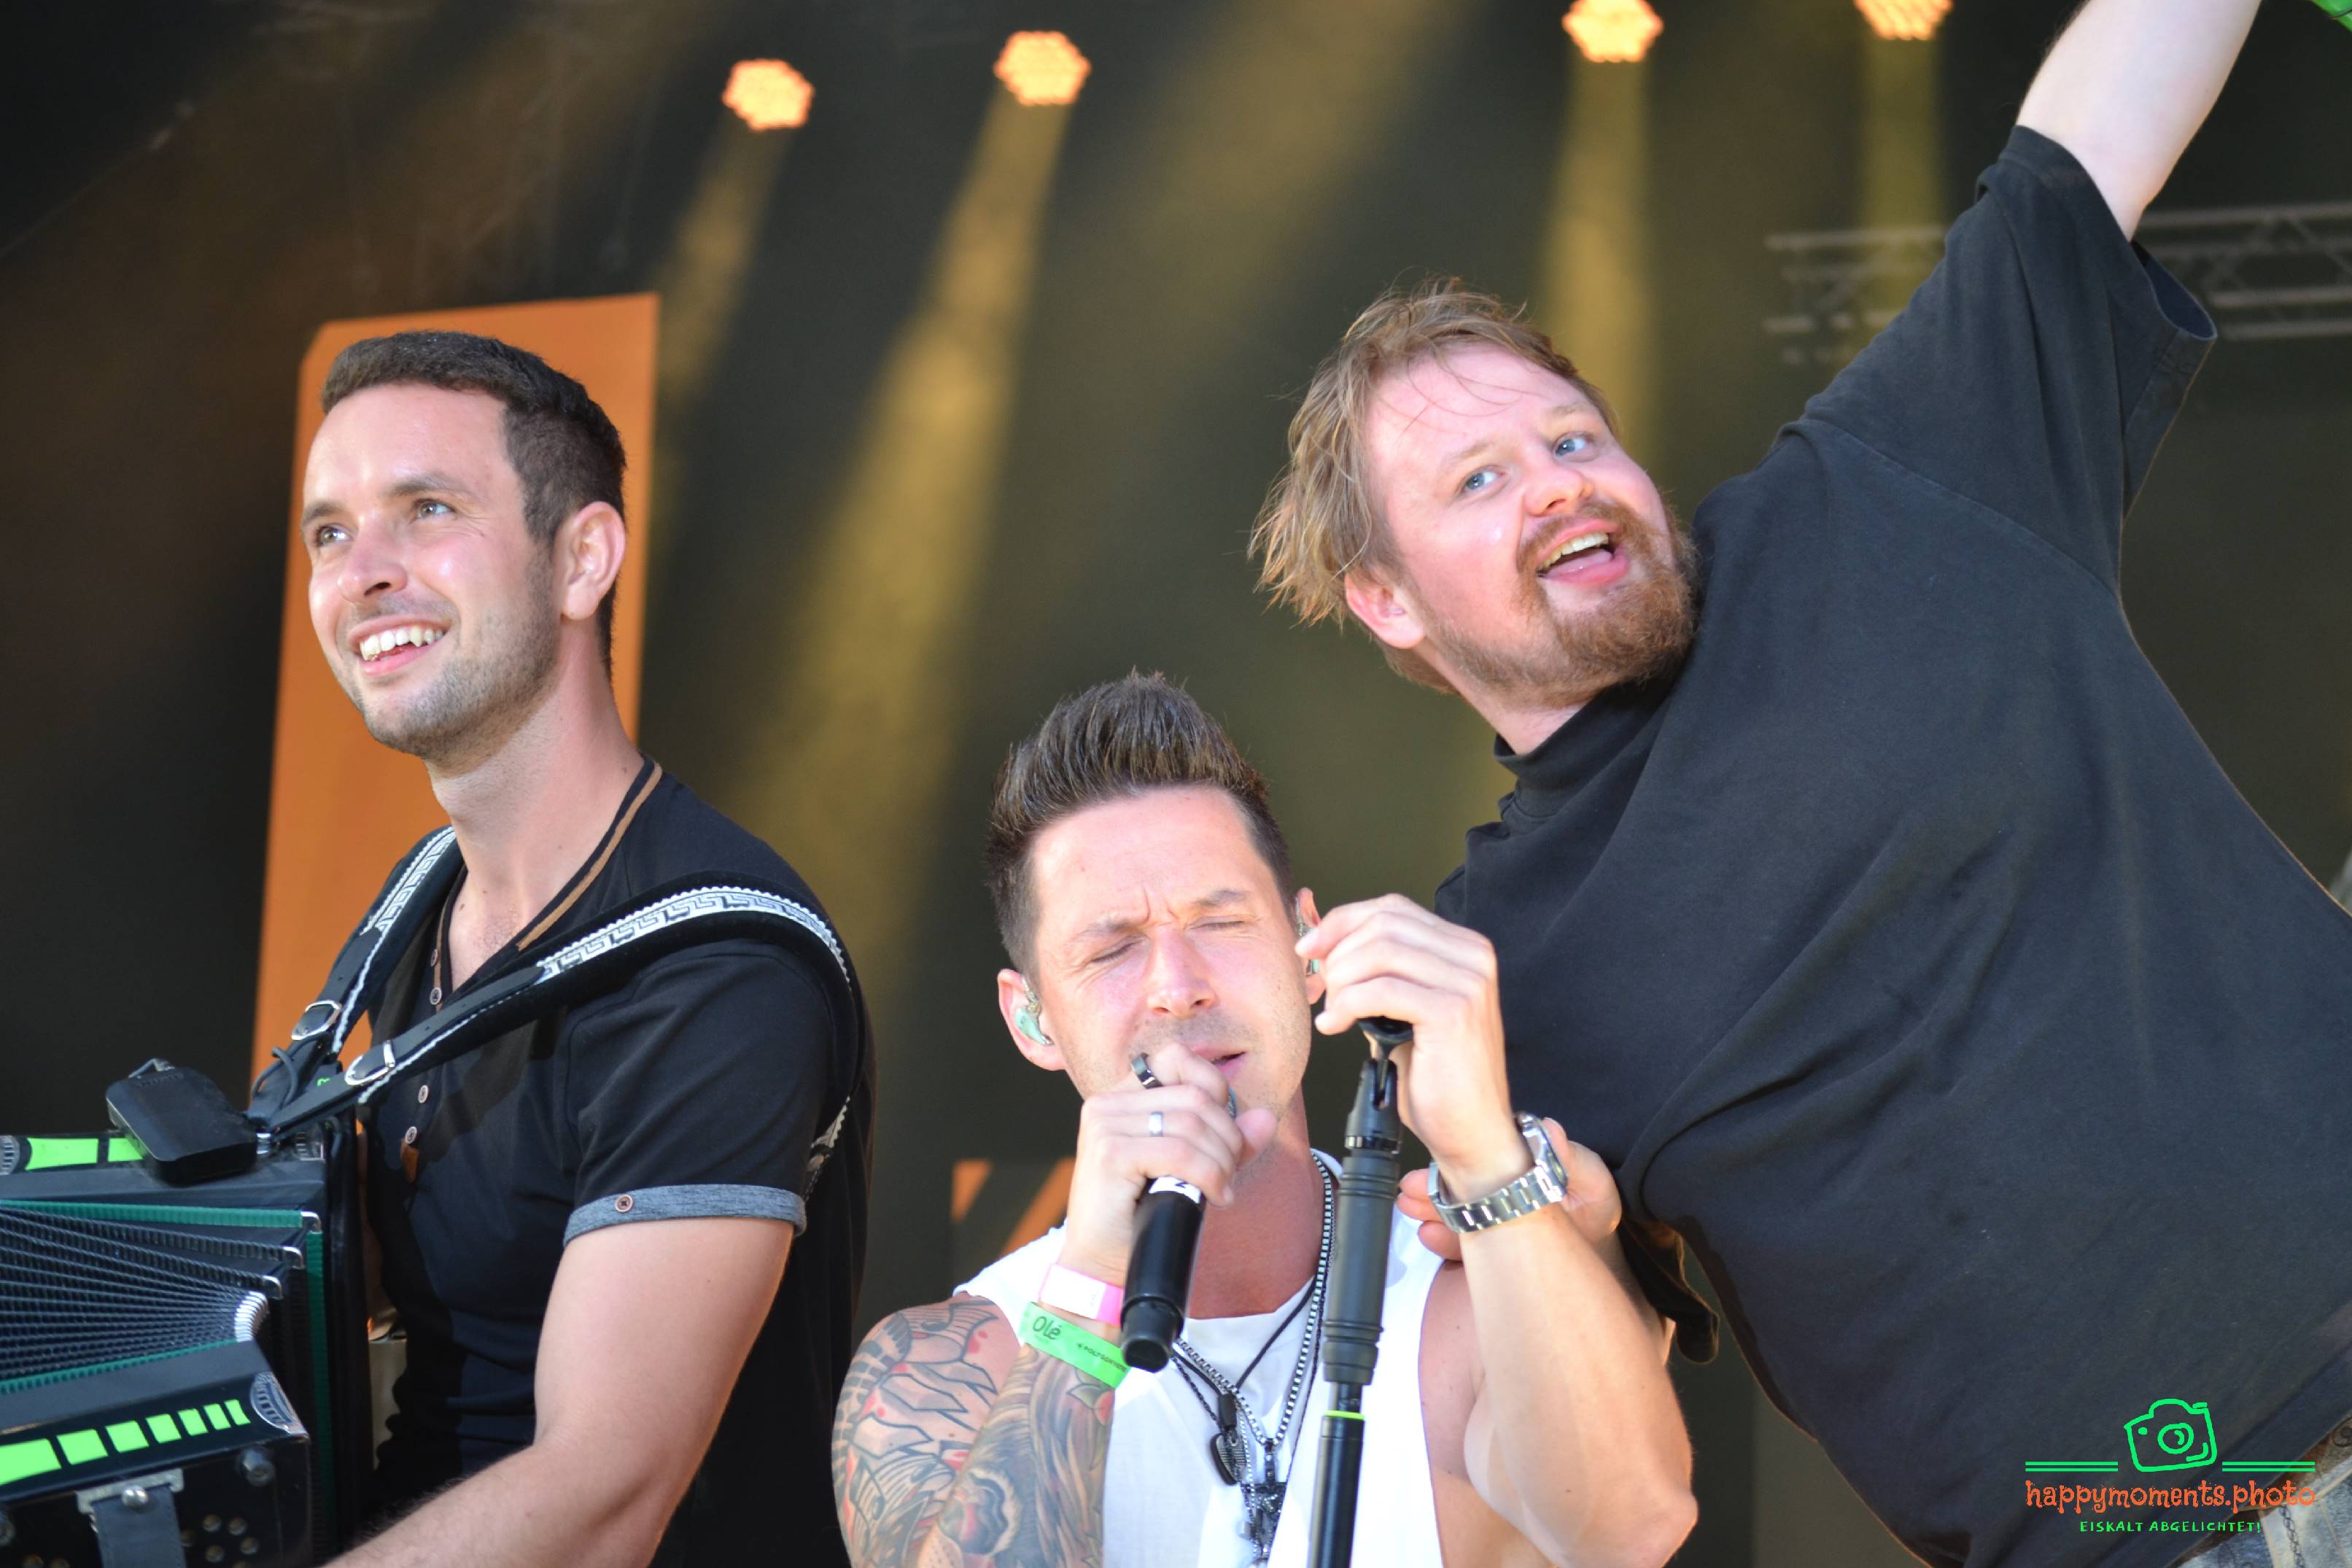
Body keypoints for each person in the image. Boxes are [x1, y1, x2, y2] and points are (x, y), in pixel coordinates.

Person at [1254, 2, 2352, 1564]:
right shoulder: (1498, 976)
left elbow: (2088, 144)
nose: (1556, 483)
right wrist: (1503, 1175)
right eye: (1478, 480)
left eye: (1571, 438)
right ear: (1385, 600)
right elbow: (1597, 1484)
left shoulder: (1876, 489)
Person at [830, 673, 1694, 1568]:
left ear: (1307, 947)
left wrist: (1484, 1152)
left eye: (1221, 920)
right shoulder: (948, 1362)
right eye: (1112, 948)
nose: (1178, 985)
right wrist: (1091, 1279)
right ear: (1033, 1019)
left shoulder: (1472, 1296)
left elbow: (1631, 1530)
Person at [295, 330, 874, 1566]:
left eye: (427, 510)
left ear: (582, 559)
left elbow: (605, 1496)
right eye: (330, 533)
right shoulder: (420, 904)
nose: (364, 572)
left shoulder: (713, 973)